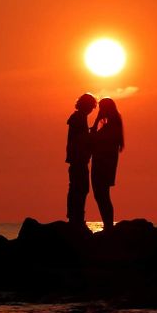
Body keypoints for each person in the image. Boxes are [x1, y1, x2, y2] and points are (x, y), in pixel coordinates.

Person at [90, 98, 124, 230]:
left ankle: (108, 226)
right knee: (102, 195)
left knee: (101, 195)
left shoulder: (111, 127)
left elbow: (94, 138)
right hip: (104, 164)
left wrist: (97, 120)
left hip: (102, 165)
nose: (100, 111)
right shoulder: (112, 125)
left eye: (101, 108)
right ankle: (107, 225)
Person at [66, 93, 97, 226]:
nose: (91, 109)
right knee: (80, 188)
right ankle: (76, 218)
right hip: (78, 160)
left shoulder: (78, 117)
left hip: (78, 159)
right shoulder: (79, 118)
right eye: (91, 106)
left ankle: (76, 216)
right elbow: (81, 140)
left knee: (78, 188)